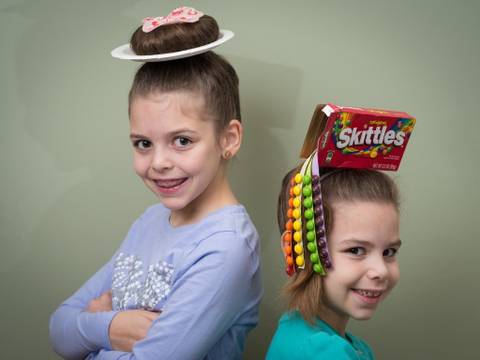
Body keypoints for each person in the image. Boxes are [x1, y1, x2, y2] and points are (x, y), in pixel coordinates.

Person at [49, 7, 262, 360]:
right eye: (143, 143)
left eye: (182, 141)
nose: (159, 163)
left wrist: (92, 327)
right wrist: (110, 327)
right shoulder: (150, 222)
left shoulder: (227, 249)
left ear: (229, 138)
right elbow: (58, 329)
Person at [266, 106, 405, 359]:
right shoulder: (325, 352)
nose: (381, 270)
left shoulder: (299, 328)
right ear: (303, 251)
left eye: (389, 252)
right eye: (356, 250)